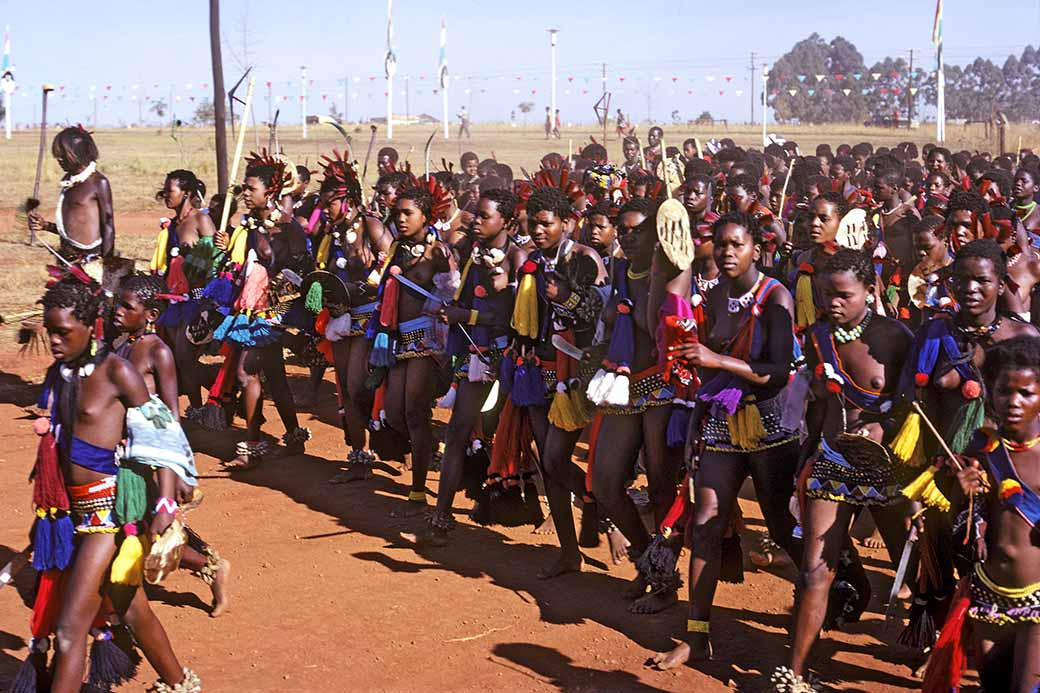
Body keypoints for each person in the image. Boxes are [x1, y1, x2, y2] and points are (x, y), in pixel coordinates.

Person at [21, 277, 199, 692]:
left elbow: (163, 435)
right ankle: (179, 683)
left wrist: (166, 503)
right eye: (51, 333)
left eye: (63, 332)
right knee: (128, 606)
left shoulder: (116, 371)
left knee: (68, 631)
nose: (55, 342)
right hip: (72, 514)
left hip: (107, 516)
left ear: (89, 324)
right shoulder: (63, 372)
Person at [653, 212, 802, 668]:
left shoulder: (776, 296)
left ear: (757, 249)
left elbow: (777, 373)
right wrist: (698, 401)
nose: (727, 252)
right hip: (719, 421)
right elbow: (706, 365)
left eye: (737, 244)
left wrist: (715, 358)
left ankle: (834, 582)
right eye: (720, 245)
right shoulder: (715, 296)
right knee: (706, 524)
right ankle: (696, 636)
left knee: (780, 525)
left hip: (771, 422)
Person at [781, 249, 915, 687]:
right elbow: (818, 409)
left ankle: (934, 652)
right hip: (834, 462)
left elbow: (914, 406)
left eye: (844, 295)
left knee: (910, 568)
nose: (833, 304)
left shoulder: (894, 337)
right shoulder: (817, 336)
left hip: (889, 467)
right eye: (826, 295)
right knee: (814, 571)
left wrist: (889, 433)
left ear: (871, 291)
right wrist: (808, 457)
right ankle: (795, 675)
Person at [408, 188, 527, 544]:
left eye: (484, 216)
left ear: (505, 220)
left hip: (511, 358)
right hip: (476, 356)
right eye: (475, 215)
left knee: (527, 437)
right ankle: (442, 517)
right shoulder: (475, 252)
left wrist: (467, 314)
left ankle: (567, 509)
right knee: (459, 431)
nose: (476, 222)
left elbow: (513, 317)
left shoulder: (518, 257)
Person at [923, 336, 1040, 693]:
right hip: (988, 596)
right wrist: (962, 490)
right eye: (1005, 391)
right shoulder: (981, 447)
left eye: (1027, 393)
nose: (1014, 402)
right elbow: (957, 525)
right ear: (990, 392)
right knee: (994, 685)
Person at [112, 273, 231, 617]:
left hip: (152, 456)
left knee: (151, 530)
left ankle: (210, 566)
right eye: (118, 303)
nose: (118, 311)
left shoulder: (158, 351)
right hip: (124, 453)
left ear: (150, 314)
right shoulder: (123, 346)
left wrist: (175, 474)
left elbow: (171, 419)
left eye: (126, 306)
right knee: (139, 528)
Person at [587, 197, 683, 612]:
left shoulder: (674, 273)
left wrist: (658, 276)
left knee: (662, 486)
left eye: (636, 229)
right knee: (605, 482)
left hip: (664, 383)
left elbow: (652, 327)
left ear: (656, 233)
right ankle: (648, 562)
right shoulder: (624, 270)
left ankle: (665, 582)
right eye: (621, 229)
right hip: (626, 381)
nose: (626, 235)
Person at [212, 155, 311, 469]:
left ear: (270, 192)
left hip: (271, 312)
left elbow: (298, 271)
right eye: (244, 187)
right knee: (276, 378)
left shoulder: (287, 228)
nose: (245, 193)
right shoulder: (249, 225)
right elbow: (245, 263)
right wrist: (228, 243)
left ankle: (253, 445)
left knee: (245, 372)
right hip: (250, 307)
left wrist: (279, 313)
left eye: (250, 188)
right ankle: (294, 435)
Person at [367, 187, 453, 516]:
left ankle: (418, 492)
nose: (401, 219)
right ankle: (430, 449)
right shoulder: (398, 249)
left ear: (426, 216)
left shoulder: (439, 252)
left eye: (409, 213)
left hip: (426, 340)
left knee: (415, 412)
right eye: (398, 213)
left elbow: (450, 296)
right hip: (396, 338)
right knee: (395, 412)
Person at [149, 170, 218, 420]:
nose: (166, 195)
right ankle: (203, 401)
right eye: (165, 190)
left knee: (185, 355)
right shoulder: (171, 226)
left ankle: (205, 405)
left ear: (186, 193)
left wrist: (205, 301)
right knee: (176, 358)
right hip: (173, 299)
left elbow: (215, 263)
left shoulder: (201, 220)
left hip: (197, 299)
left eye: (171, 191)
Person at [28, 126, 115, 261]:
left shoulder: (98, 183)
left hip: (91, 260)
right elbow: (73, 227)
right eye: (58, 156)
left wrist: (108, 265)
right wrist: (46, 225)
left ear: (78, 153)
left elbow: (108, 226)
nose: (59, 160)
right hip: (67, 257)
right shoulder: (68, 180)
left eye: (63, 155)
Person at [1013, 166, 1040, 233]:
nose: (1018, 183)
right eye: (1016, 181)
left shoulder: (1038, 213)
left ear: (1036, 188)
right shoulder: (1006, 208)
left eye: (1024, 181)